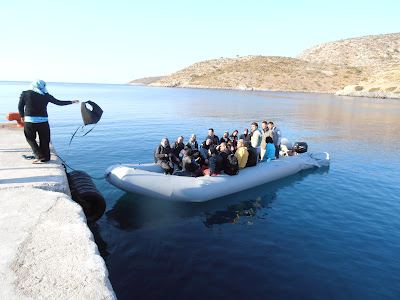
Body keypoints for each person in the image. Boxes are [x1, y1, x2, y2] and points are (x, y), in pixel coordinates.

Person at [18, 80, 79, 164]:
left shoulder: (25, 93)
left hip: (30, 121)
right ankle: (46, 157)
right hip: (43, 121)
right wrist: (72, 102)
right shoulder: (46, 95)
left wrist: (22, 116)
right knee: (45, 139)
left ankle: (39, 155)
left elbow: (20, 106)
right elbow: (59, 102)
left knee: (30, 138)